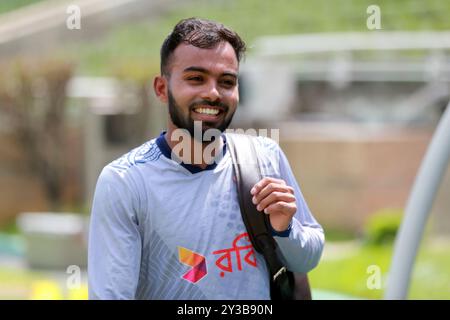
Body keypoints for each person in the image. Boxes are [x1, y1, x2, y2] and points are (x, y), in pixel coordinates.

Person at [88, 17, 324, 300]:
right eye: (196, 78)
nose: (213, 93)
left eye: (226, 81)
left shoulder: (265, 157)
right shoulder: (125, 182)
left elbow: (306, 260)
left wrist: (285, 229)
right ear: (162, 89)